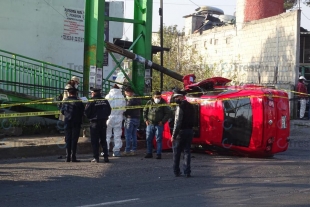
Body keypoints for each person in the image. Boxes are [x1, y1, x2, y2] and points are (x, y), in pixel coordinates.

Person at [170, 90, 195, 178]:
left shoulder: (180, 107)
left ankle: (176, 171)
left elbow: (177, 122)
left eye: (177, 97)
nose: (176, 99)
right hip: (189, 131)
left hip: (181, 132)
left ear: (181, 97)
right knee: (187, 151)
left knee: (177, 152)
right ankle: (187, 171)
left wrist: (173, 135)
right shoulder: (191, 106)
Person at [85, 88, 111, 163]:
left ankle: (96, 158)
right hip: (103, 122)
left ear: (93, 93)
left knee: (95, 141)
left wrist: (90, 117)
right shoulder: (104, 100)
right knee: (103, 140)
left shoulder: (91, 101)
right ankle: (106, 157)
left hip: (94, 123)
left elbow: (86, 111)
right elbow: (109, 110)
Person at [143, 91, 171, 159]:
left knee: (159, 139)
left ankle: (159, 154)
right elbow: (144, 111)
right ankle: (149, 153)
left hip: (159, 124)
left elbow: (168, 113)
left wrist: (163, 121)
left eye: (159, 97)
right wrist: (145, 120)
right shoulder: (149, 102)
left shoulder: (163, 103)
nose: (157, 99)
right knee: (149, 139)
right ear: (153, 97)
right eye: (156, 97)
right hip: (150, 124)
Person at [60, 87, 84, 162]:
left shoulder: (65, 101)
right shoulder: (79, 101)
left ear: (69, 93)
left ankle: (67, 157)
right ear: (76, 93)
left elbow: (62, 111)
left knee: (68, 139)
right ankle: (73, 156)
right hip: (76, 122)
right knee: (74, 139)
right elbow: (82, 112)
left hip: (67, 122)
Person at [105, 84, 126, 157]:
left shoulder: (108, 96)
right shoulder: (122, 97)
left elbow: (105, 107)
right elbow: (124, 108)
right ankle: (116, 151)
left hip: (109, 117)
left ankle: (106, 150)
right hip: (119, 117)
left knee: (107, 134)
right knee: (117, 134)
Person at [123, 86, 141, 156]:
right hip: (137, 118)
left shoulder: (130, 100)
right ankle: (134, 150)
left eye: (126, 93)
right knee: (134, 135)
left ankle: (127, 150)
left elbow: (127, 109)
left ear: (128, 92)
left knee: (128, 135)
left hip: (130, 118)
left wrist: (124, 113)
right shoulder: (138, 98)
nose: (126, 95)